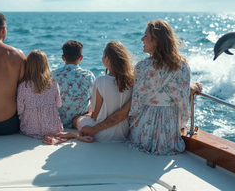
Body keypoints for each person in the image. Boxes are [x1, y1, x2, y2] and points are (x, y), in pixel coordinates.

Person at [80, 20, 202, 155]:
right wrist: (194, 87)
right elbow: (180, 96)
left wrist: (94, 129)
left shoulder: (143, 68)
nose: (141, 38)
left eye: (146, 35)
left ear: (156, 41)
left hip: (143, 136)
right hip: (169, 136)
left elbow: (130, 109)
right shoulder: (183, 67)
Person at [75, 41, 134, 142]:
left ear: (107, 59)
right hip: (124, 133)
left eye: (103, 56)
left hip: (101, 134)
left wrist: (88, 115)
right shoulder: (132, 80)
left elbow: (96, 116)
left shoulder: (101, 81)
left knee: (77, 119)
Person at [17, 50, 64, 139]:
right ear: (45, 64)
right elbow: (58, 104)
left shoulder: (23, 85)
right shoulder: (53, 83)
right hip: (53, 129)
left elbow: (20, 109)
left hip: (29, 129)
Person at [52, 40, 95, 128]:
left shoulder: (53, 75)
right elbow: (94, 100)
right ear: (81, 57)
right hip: (79, 123)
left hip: (58, 123)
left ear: (63, 57)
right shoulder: (88, 75)